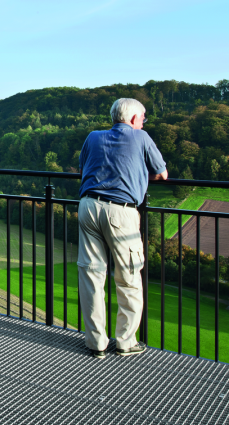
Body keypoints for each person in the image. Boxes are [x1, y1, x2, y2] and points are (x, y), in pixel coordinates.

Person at [77, 98, 168, 359]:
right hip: (121, 210)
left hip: (88, 206)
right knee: (128, 277)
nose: (144, 123)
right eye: (143, 118)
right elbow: (162, 174)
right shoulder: (141, 137)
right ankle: (125, 342)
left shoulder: (93, 136)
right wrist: (138, 174)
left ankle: (96, 344)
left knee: (91, 275)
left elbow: (83, 170)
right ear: (133, 118)